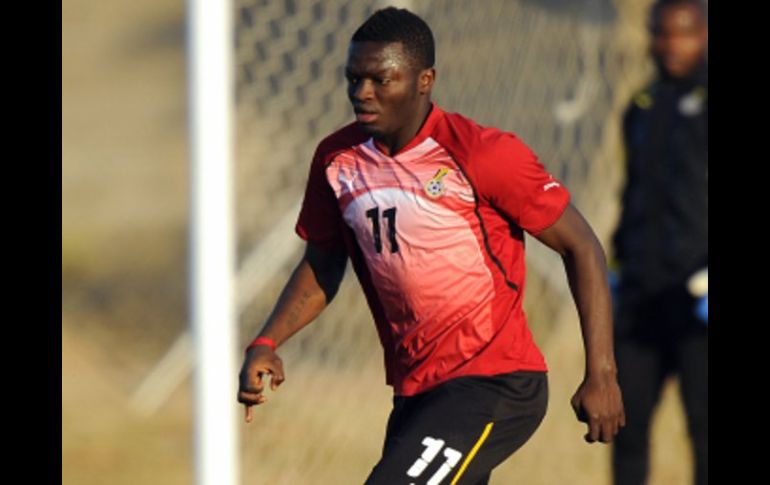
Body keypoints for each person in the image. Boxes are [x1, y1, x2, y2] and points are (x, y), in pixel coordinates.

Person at [238, 7, 624, 484]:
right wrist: (267, 340)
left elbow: (582, 246)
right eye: (353, 79)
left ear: (425, 80)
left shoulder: (482, 152)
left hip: (495, 382)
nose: (362, 93)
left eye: (381, 79)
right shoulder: (336, 159)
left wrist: (602, 373)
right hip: (417, 393)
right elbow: (322, 263)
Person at [609, 1, 708, 484]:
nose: (671, 46)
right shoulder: (643, 105)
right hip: (641, 296)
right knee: (623, 426)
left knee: (704, 431)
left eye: (683, 34)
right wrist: (617, 267)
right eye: (662, 34)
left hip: (699, 305)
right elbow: (631, 192)